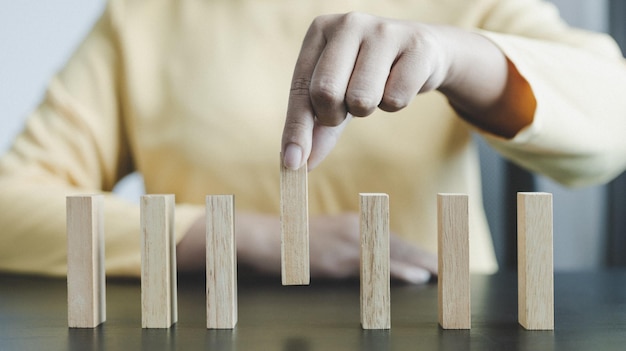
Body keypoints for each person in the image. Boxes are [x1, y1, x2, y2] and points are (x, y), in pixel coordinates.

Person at [1, 0, 626, 283]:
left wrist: (455, 57)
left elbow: (612, 127)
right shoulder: (141, 16)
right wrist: (244, 239)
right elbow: (9, 208)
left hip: (439, 325)